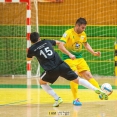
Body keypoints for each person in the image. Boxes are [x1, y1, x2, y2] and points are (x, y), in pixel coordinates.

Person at [27, 32, 108, 107]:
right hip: (62, 65)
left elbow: (28, 59)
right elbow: (59, 42)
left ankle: (57, 98)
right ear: (39, 38)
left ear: (31, 41)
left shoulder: (31, 49)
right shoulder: (47, 41)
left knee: (42, 82)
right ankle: (96, 89)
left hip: (51, 70)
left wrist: (34, 55)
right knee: (78, 79)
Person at [59, 17, 102, 106]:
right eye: (82, 27)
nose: (84, 29)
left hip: (79, 58)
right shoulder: (68, 33)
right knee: (74, 75)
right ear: (77, 25)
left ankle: (100, 92)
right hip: (68, 58)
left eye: (84, 28)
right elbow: (60, 46)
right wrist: (69, 54)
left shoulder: (83, 34)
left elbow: (86, 44)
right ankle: (76, 99)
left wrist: (93, 52)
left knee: (88, 75)